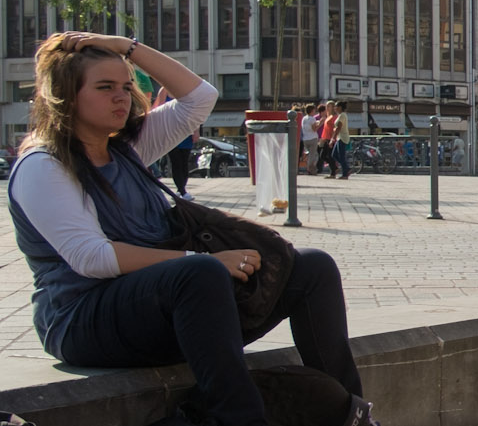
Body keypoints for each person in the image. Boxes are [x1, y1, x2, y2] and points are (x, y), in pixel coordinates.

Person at [7, 32, 362, 424]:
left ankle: (354, 413)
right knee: (201, 271)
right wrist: (201, 260)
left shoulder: (127, 148)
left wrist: (126, 46)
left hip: (166, 309)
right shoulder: (44, 164)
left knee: (313, 268)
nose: (121, 97)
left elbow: (199, 98)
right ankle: (241, 419)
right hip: (82, 320)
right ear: (64, 96)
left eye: (126, 87)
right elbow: (92, 257)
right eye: (105, 87)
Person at [298, 104, 320, 175]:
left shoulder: (304, 118)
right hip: (312, 138)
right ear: (312, 111)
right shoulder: (312, 118)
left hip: (305, 138)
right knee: (313, 155)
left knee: (310, 155)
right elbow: (314, 129)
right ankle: (310, 168)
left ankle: (312, 169)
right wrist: (320, 123)